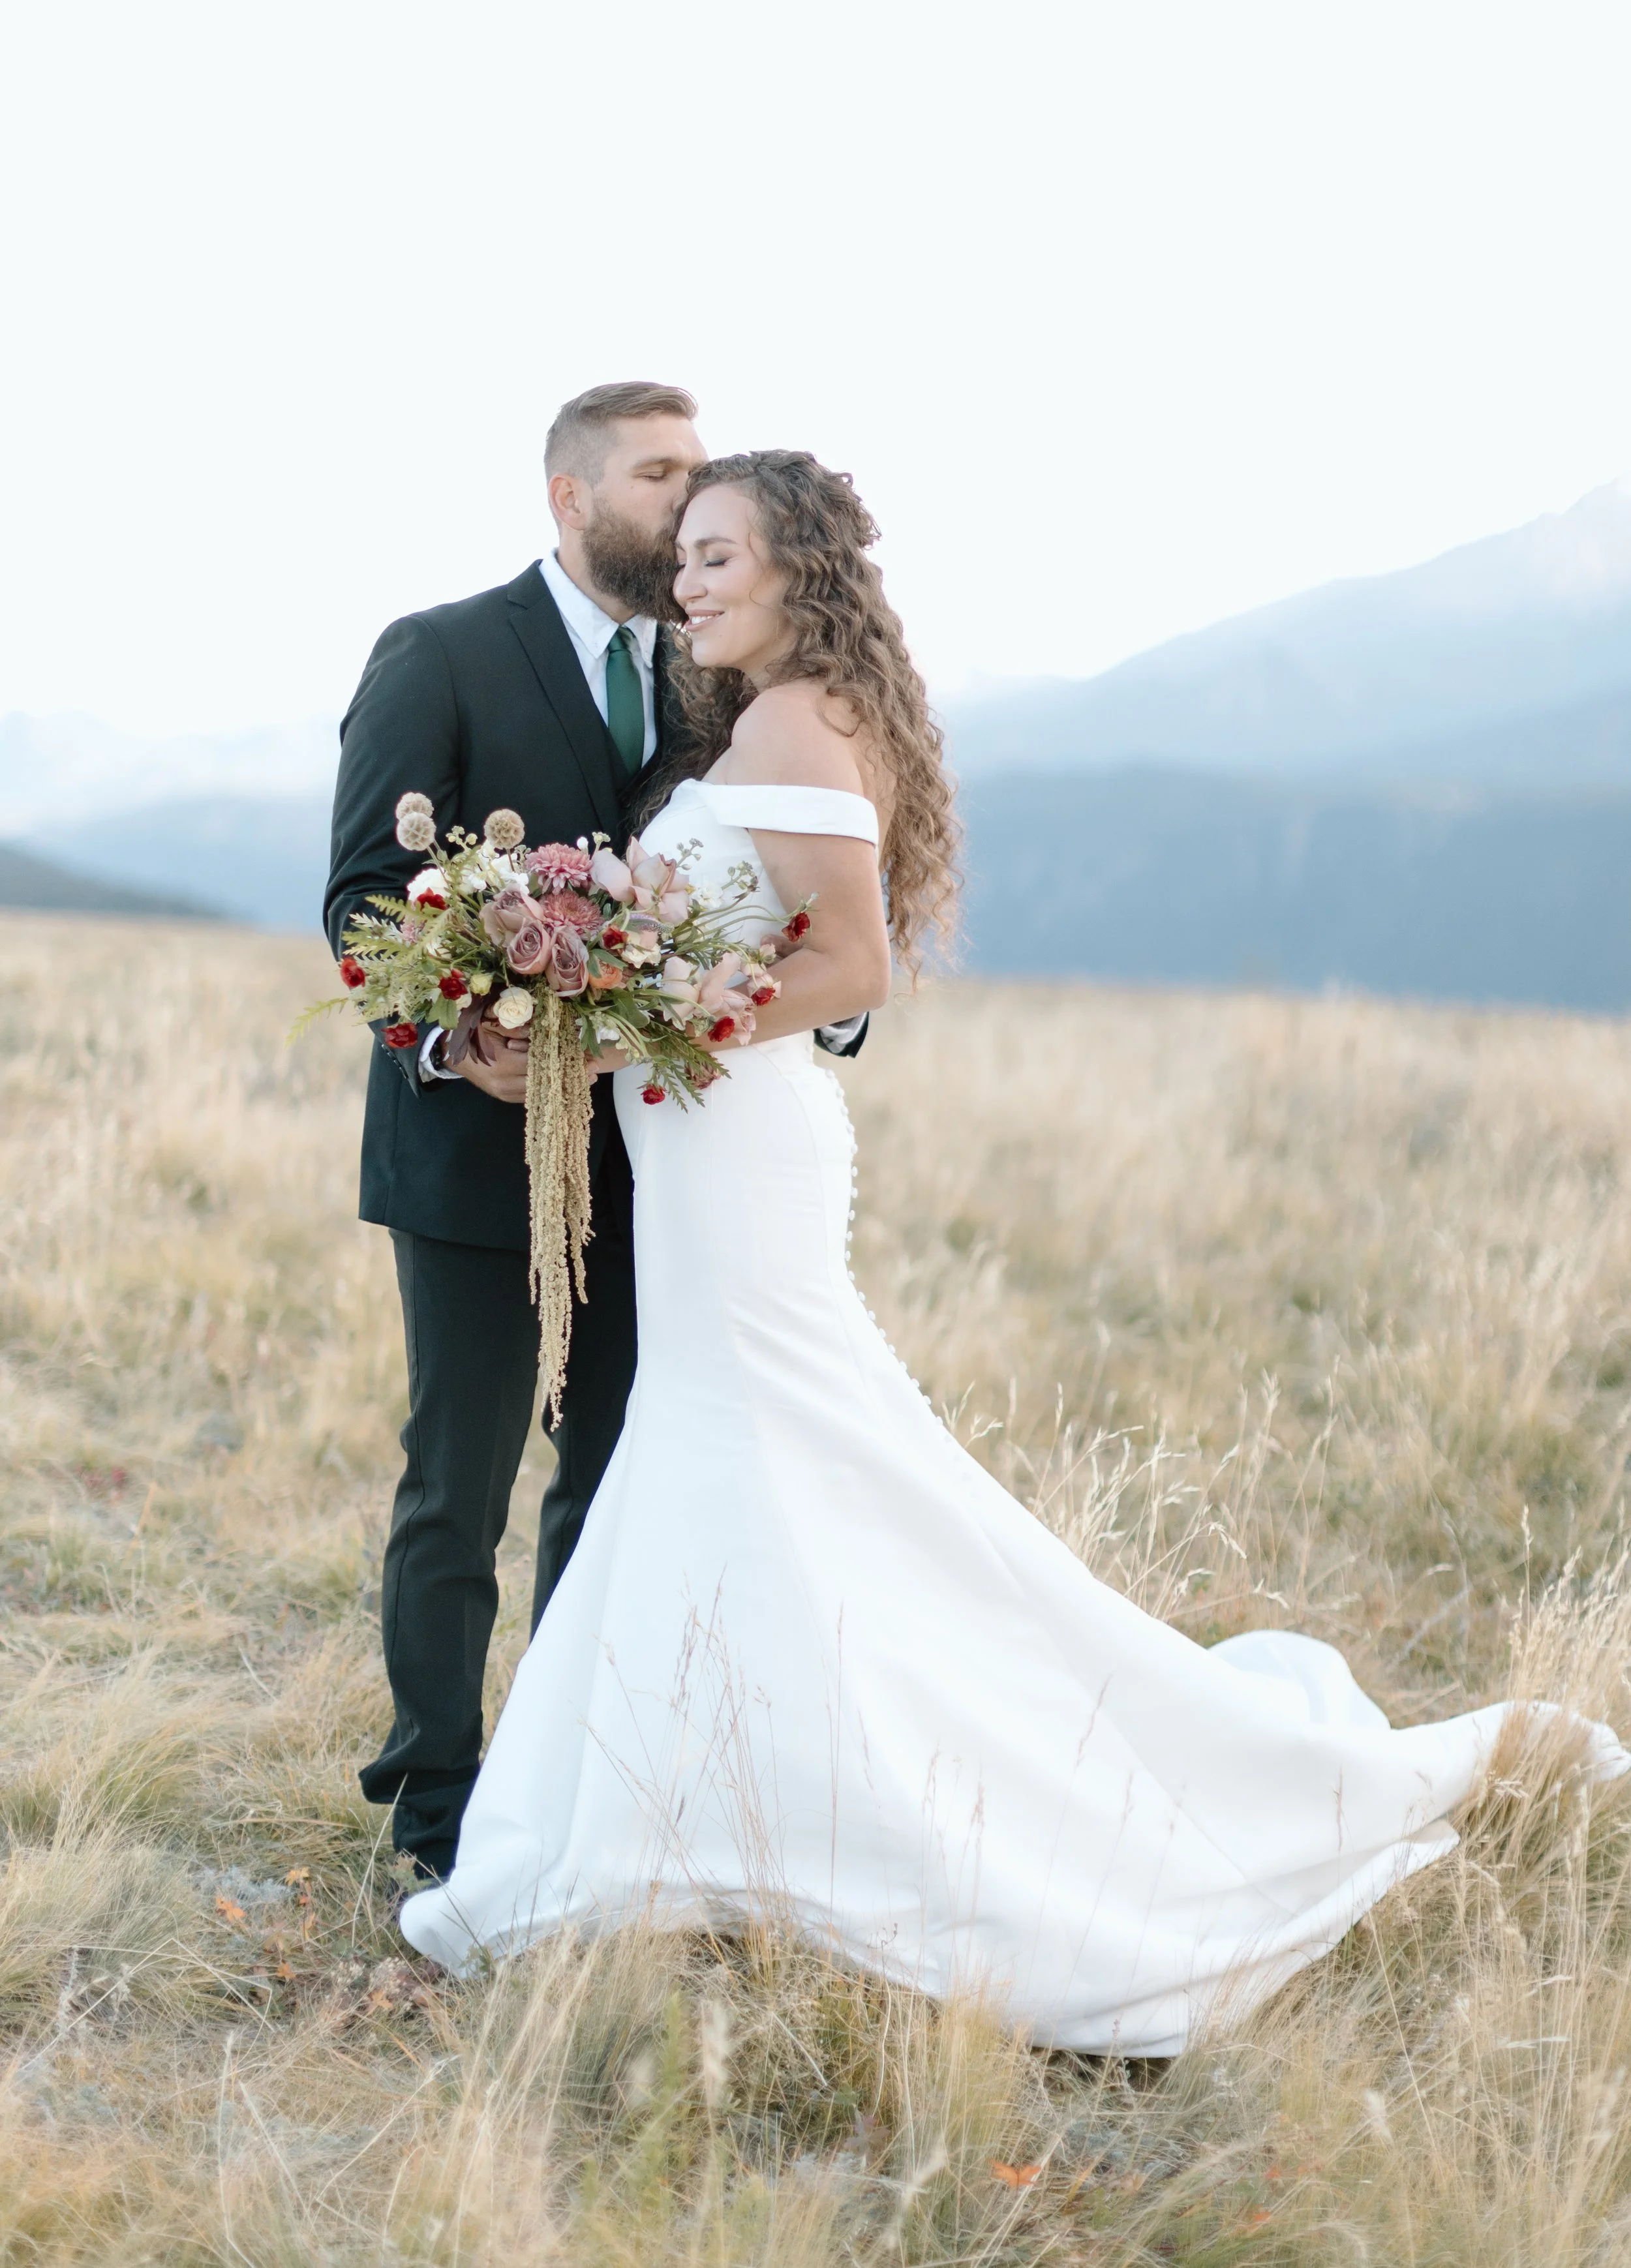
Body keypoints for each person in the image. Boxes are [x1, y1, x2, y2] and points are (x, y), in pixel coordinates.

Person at [399, 449, 1627, 2054]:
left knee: (766, 1439)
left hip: (740, 1145)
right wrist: (582, 1020)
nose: (690, 583)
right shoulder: (777, 717)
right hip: (697, 1137)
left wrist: (632, 1019)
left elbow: (854, 962)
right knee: (751, 1452)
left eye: (719, 556)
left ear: (799, 566)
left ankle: (758, 1815)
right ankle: (698, 1810)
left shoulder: (795, 719)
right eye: (681, 557)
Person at [326, 386, 870, 1884]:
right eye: (658, 475)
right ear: (569, 499)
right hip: (465, 1160)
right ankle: (435, 1802)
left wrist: (806, 1013)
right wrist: (455, 1037)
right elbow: (367, 896)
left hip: (671, 1164)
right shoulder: (436, 653)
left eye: (699, 478)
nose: (687, 504)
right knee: (456, 1483)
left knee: (620, 1475)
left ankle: (571, 1792)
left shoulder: (720, 681)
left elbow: (791, 888)